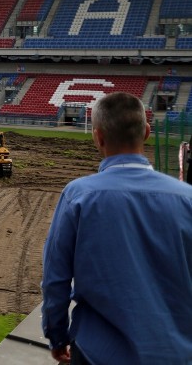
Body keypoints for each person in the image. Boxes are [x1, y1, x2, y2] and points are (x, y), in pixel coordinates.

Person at [42, 91, 192, 364]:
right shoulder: (187, 198)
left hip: (97, 353)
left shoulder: (78, 195)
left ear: (98, 137)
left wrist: (57, 335)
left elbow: (55, 278)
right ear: (147, 132)